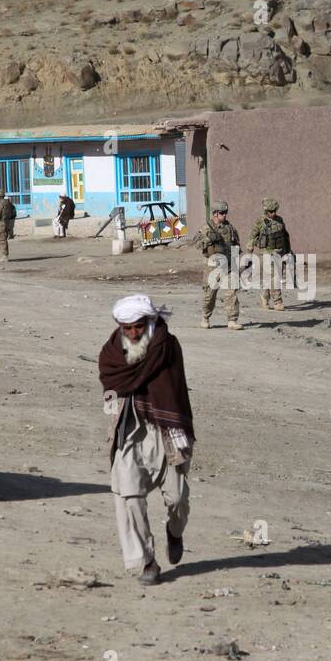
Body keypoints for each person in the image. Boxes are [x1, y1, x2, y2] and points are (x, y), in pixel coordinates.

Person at [98, 294, 195, 586]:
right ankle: (147, 562)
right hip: (129, 427)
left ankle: (175, 531)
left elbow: (174, 390)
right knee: (128, 496)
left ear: (149, 322)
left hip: (165, 428)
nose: (132, 333)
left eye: (137, 326)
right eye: (126, 327)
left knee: (177, 497)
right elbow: (111, 382)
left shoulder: (167, 346)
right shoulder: (112, 351)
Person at [191, 200, 241, 330]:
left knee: (231, 292)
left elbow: (236, 244)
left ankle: (232, 320)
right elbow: (196, 244)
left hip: (229, 264)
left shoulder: (229, 227)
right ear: (215, 213)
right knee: (210, 294)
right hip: (213, 265)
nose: (225, 215)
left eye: (226, 213)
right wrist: (208, 240)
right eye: (222, 213)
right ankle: (205, 317)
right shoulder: (206, 228)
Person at [248, 197, 291, 311]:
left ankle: (265, 296)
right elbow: (252, 235)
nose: (273, 214)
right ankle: (278, 302)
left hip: (278, 252)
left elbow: (285, 236)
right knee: (274, 276)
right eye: (271, 211)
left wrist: (287, 251)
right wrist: (250, 247)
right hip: (266, 252)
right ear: (266, 211)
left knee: (274, 277)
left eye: (275, 211)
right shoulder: (260, 221)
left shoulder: (280, 220)